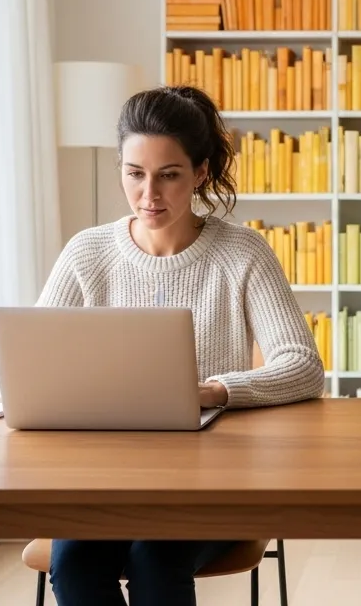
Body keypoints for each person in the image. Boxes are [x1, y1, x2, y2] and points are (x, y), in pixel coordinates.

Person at [35, 84, 326, 605]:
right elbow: (34, 362)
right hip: (106, 478)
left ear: (200, 173)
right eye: (134, 174)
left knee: (155, 557)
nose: (149, 195)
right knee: (75, 561)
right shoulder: (87, 253)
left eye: (169, 175)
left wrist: (212, 391)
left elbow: (302, 365)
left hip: (214, 481)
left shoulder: (243, 253)